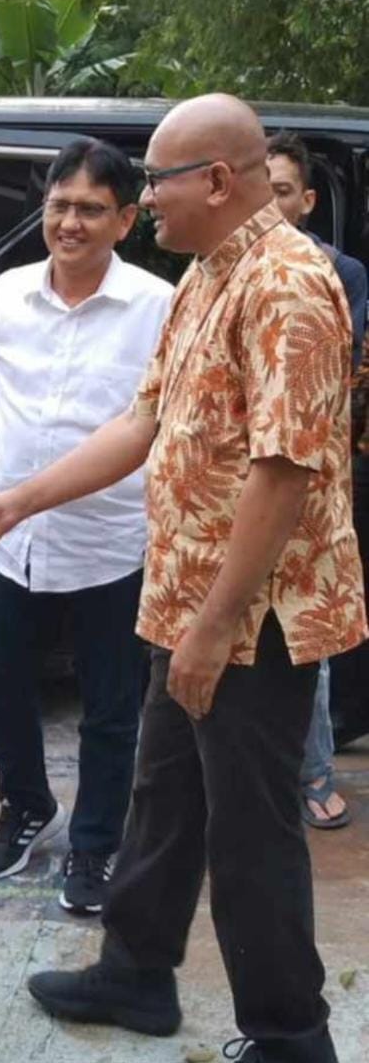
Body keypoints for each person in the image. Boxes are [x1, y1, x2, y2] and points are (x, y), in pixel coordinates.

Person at [0, 96, 366, 1063]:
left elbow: (285, 468)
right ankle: (136, 972)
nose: (147, 199)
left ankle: (290, 1034)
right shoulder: (206, 276)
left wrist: (216, 627)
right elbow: (141, 425)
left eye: (153, 181)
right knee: (163, 792)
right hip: (184, 598)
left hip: (249, 617)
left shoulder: (288, 285)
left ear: (216, 180)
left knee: (250, 828)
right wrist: (13, 502)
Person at [0, 138, 172, 912]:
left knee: (109, 709)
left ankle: (97, 846)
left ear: (125, 219)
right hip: (10, 542)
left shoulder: (157, 306)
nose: (70, 223)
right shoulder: (6, 294)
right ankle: (26, 805)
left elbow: (157, 428)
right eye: (59, 206)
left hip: (111, 542)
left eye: (90, 210)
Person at [268, 129, 367, 831]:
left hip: (306, 475)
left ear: (304, 202)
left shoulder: (339, 273)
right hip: (228, 488)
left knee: (305, 631)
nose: (266, 205)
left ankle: (312, 773)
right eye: (257, 189)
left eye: (279, 192)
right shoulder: (216, 270)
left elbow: (339, 373)